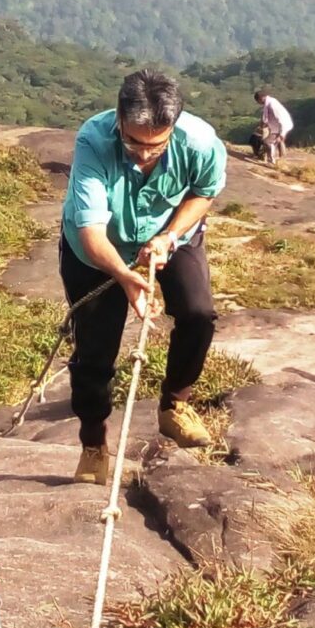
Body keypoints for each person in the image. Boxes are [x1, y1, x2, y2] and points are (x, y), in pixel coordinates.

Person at [61, 71, 228, 482]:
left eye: (156, 145)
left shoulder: (200, 142)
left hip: (171, 234)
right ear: (118, 119)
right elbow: (90, 231)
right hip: (100, 249)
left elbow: (203, 193)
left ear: (174, 126)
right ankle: (93, 444)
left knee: (198, 313)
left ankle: (175, 404)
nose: (143, 154)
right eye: (133, 142)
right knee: (95, 352)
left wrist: (169, 237)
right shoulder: (93, 142)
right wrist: (124, 274)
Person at [255, 88, 294, 168]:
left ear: (261, 98)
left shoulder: (272, 105)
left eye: (258, 101)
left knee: (268, 142)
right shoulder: (269, 102)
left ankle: (272, 161)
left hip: (282, 126)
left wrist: (282, 133)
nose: (259, 103)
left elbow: (281, 119)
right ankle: (282, 161)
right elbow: (266, 117)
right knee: (279, 142)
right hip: (277, 127)